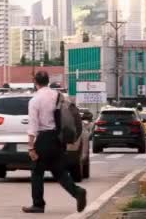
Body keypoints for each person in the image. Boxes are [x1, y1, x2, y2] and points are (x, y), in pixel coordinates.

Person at [22, 71, 87, 214]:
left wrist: (31, 147)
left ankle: (38, 204)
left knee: (37, 171)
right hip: (58, 138)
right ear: (48, 81)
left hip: (44, 138)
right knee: (59, 171)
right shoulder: (58, 96)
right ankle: (77, 192)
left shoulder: (35, 100)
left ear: (35, 82)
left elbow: (33, 126)